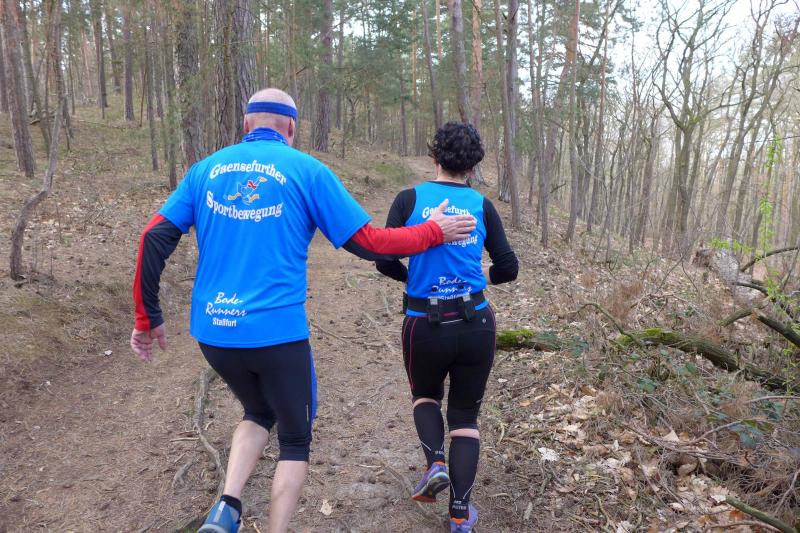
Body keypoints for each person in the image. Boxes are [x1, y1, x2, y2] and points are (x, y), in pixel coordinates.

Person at [130, 89, 477, 533]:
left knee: (258, 410)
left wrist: (147, 318)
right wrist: (433, 232)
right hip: (277, 334)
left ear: (246, 124)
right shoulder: (307, 171)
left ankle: (226, 508)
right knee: (295, 439)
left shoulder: (204, 170)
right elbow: (371, 243)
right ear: (291, 127)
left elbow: (153, 237)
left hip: (213, 332)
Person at [375, 122, 518, 532]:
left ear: (434, 157)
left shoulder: (409, 200)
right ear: (472, 166)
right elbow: (509, 268)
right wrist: (479, 276)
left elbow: (384, 259)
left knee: (425, 397)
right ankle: (459, 514)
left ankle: (435, 462)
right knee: (466, 419)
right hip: (477, 324)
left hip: (425, 323)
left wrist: (414, 278)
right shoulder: (481, 205)